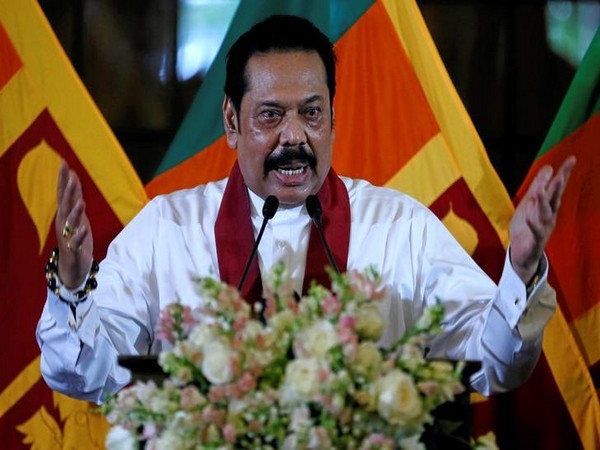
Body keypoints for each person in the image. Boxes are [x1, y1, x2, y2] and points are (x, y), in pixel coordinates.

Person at [37, 15, 575, 404]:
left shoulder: (400, 227)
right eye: (270, 115)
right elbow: (84, 374)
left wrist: (522, 269)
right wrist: (73, 285)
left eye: (311, 114)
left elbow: (496, 364)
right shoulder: (167, 230)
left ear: (334, 118)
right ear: (230, 120)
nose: (294, 136)